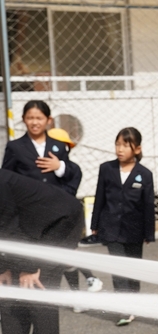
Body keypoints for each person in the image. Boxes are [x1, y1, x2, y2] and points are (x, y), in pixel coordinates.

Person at [0, 170, 84, 334]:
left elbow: (8, 227)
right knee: (8, 291)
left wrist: (27, 267)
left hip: (61, 223)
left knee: (39, 286)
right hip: (30, 229)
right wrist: (3, 268)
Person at [89, 127, 156, 326]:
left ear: (137, 149)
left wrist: (149, 232)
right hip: (111, 228)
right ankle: (123, 308)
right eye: (117, 144)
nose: (120, 149)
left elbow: (148, 205)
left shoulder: (144, 174)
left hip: (134, 230)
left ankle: (133, 304)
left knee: (133, 268)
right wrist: (94, 224)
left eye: (125, 145)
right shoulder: (106, 169)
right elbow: (99, 197)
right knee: (118, 267)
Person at [47, 127, 105, 296]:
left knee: (66, 254)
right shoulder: (40, 169)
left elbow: (68, 192)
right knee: (64, 257)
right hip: (47, 219)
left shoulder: (72, 169)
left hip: (66, 218)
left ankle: (89, 280)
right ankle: (84, 286)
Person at [2, 100, 72, 191]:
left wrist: (59, 166)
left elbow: (71, 175)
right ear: (23, 119)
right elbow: (6, 177)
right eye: (30, 118)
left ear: (49, 120)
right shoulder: (15, 147)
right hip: (26, 202)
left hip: (54, 201)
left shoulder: (59, 146)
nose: (34, 122)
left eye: (39, 118)